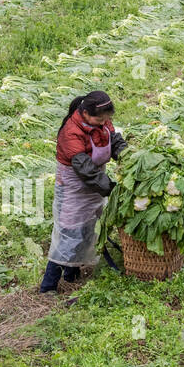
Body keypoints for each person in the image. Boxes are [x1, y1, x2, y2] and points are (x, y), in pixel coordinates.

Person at [41, 90, 127, 293]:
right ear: (86, 113)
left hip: (95, 181)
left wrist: (127, 154)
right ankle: (48, 286)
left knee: (89, 227)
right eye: (100, 118)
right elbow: (85, 170)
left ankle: (72, 275)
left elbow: (113, 140)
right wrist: (110, 188)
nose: (104, 122)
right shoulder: (71, 132)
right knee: (69, 232)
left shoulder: (101, 122)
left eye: (107, 118)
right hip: (74, 185)